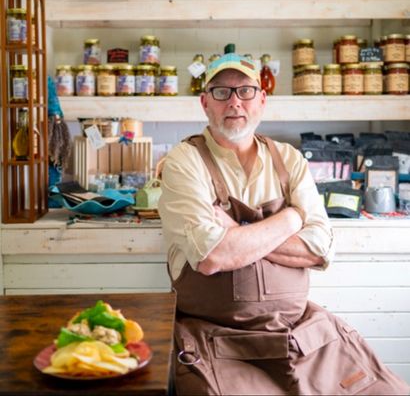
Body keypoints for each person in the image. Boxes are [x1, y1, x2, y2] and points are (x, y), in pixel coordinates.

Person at [158, 53, 408, 396]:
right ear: (205, 103)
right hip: (219, 342)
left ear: (262, 100)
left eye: (245, 90)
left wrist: (236, 233)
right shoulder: (185, 161)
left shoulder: (288, 158)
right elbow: (212, 255)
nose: (234, 102)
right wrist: (291, 218)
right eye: (221, 92)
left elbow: (321, 247)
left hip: (300, 334)